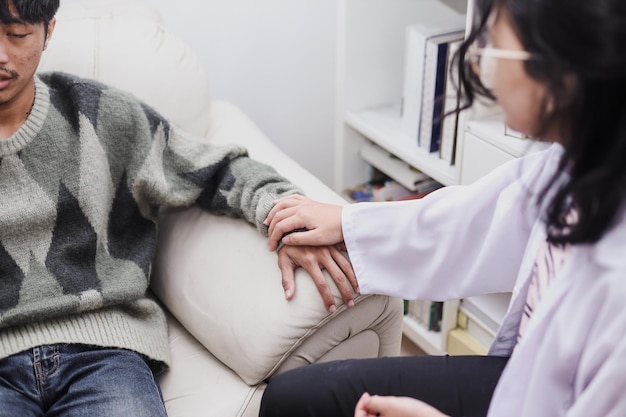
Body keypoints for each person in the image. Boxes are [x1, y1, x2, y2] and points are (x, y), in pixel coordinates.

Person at [260, 0, 626, 415]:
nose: (482, 62)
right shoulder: (574, 162)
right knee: (294, 397)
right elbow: (476, 218)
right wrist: (348, 222)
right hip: (532, 378)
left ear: (558, 68)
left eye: (494, 43)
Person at [0, 0, 355, 415]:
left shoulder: (101, 115)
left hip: (104, 352)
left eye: (17, 34)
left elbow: (218, 169)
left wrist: (289, 219)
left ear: (49, 31)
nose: (1, 55)